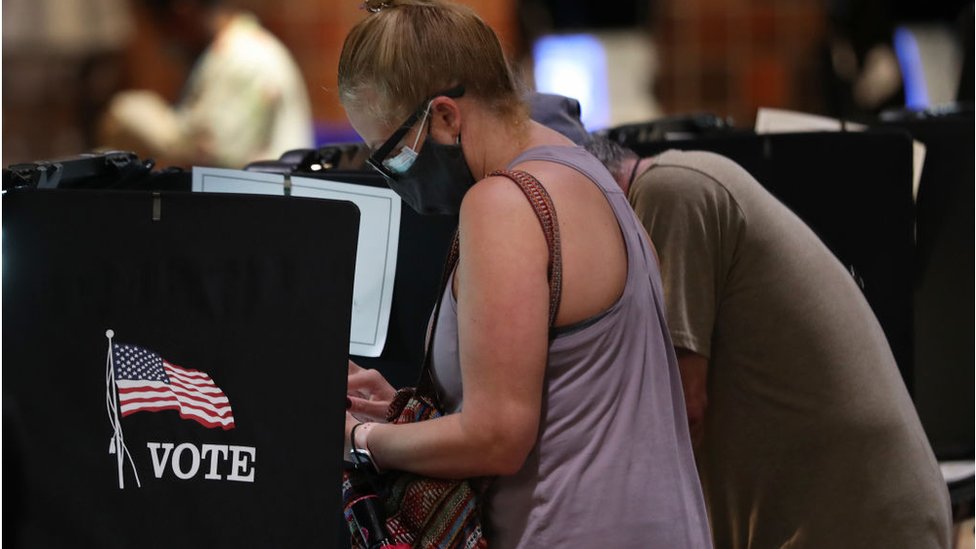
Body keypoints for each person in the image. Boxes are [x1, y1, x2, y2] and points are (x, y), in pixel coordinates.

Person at [339, 1, 712, 547]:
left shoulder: (504, 204)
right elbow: (569, 405)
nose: (392, 176)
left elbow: (498, 438)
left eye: (389, 154)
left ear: (444, 117)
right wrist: (401, 411)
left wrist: (358, 437)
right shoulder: (587, 175)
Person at [585, 136, 953, 549]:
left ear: (585, 184)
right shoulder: (682, 182)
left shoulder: (669, 191)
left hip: (857, 524)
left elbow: (677, 410)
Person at [99, 0, 313, 168]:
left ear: (182, 10)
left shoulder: (244, 57)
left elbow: (213, 159)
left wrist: (143, 125)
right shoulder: (219, 55)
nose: (165, 41)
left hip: (264, 210)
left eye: (159, 26)